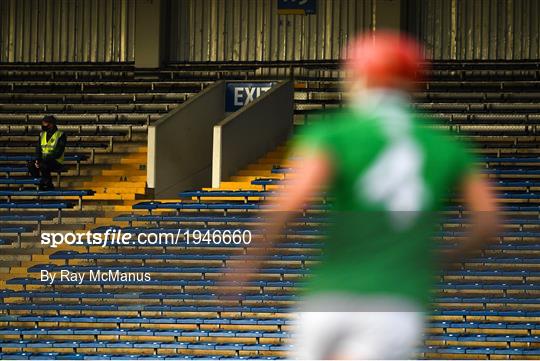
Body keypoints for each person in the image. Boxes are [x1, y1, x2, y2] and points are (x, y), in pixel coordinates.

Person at [223, 30, 500, 359]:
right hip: (397, 302)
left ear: (358, 77)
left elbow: (289, 205)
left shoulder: (333, 133)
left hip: (328, 296)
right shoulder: (448, 146)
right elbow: (489, 223)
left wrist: (247, 264)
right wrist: (438, 261)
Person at [28, 115, 66, 190]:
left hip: (56, 161)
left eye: (45, 123)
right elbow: (38, 148)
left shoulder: (60, 135)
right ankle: (40, 183)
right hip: (43, 160)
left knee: (43, 165)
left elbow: (58, 152)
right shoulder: (42, 134)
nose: (43, 125)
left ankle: (49, 184)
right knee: (30, 164)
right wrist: (37, 160)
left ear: (51, 124)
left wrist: (43, 160)